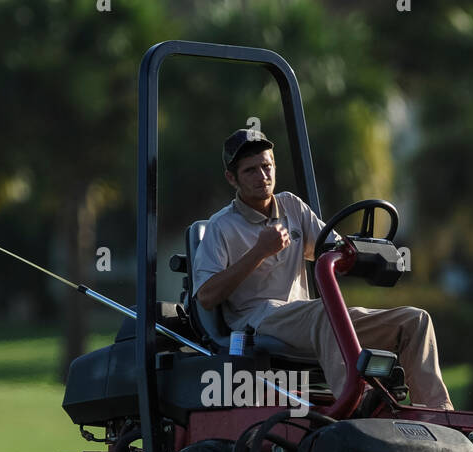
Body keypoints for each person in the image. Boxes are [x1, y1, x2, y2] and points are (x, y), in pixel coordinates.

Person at [192, 128, 453, 409]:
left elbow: (332, 246)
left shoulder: (292, 206)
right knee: (324, 311)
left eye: (266, 166)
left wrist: (365, 255)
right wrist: (259, 251)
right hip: (259, 321)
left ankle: (438, 414)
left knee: (415, 321)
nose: (262, 176)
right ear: (232, 178)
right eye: (250, 171)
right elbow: (206, 296)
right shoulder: (221, 226)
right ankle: (356, 402)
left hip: (311, 319)